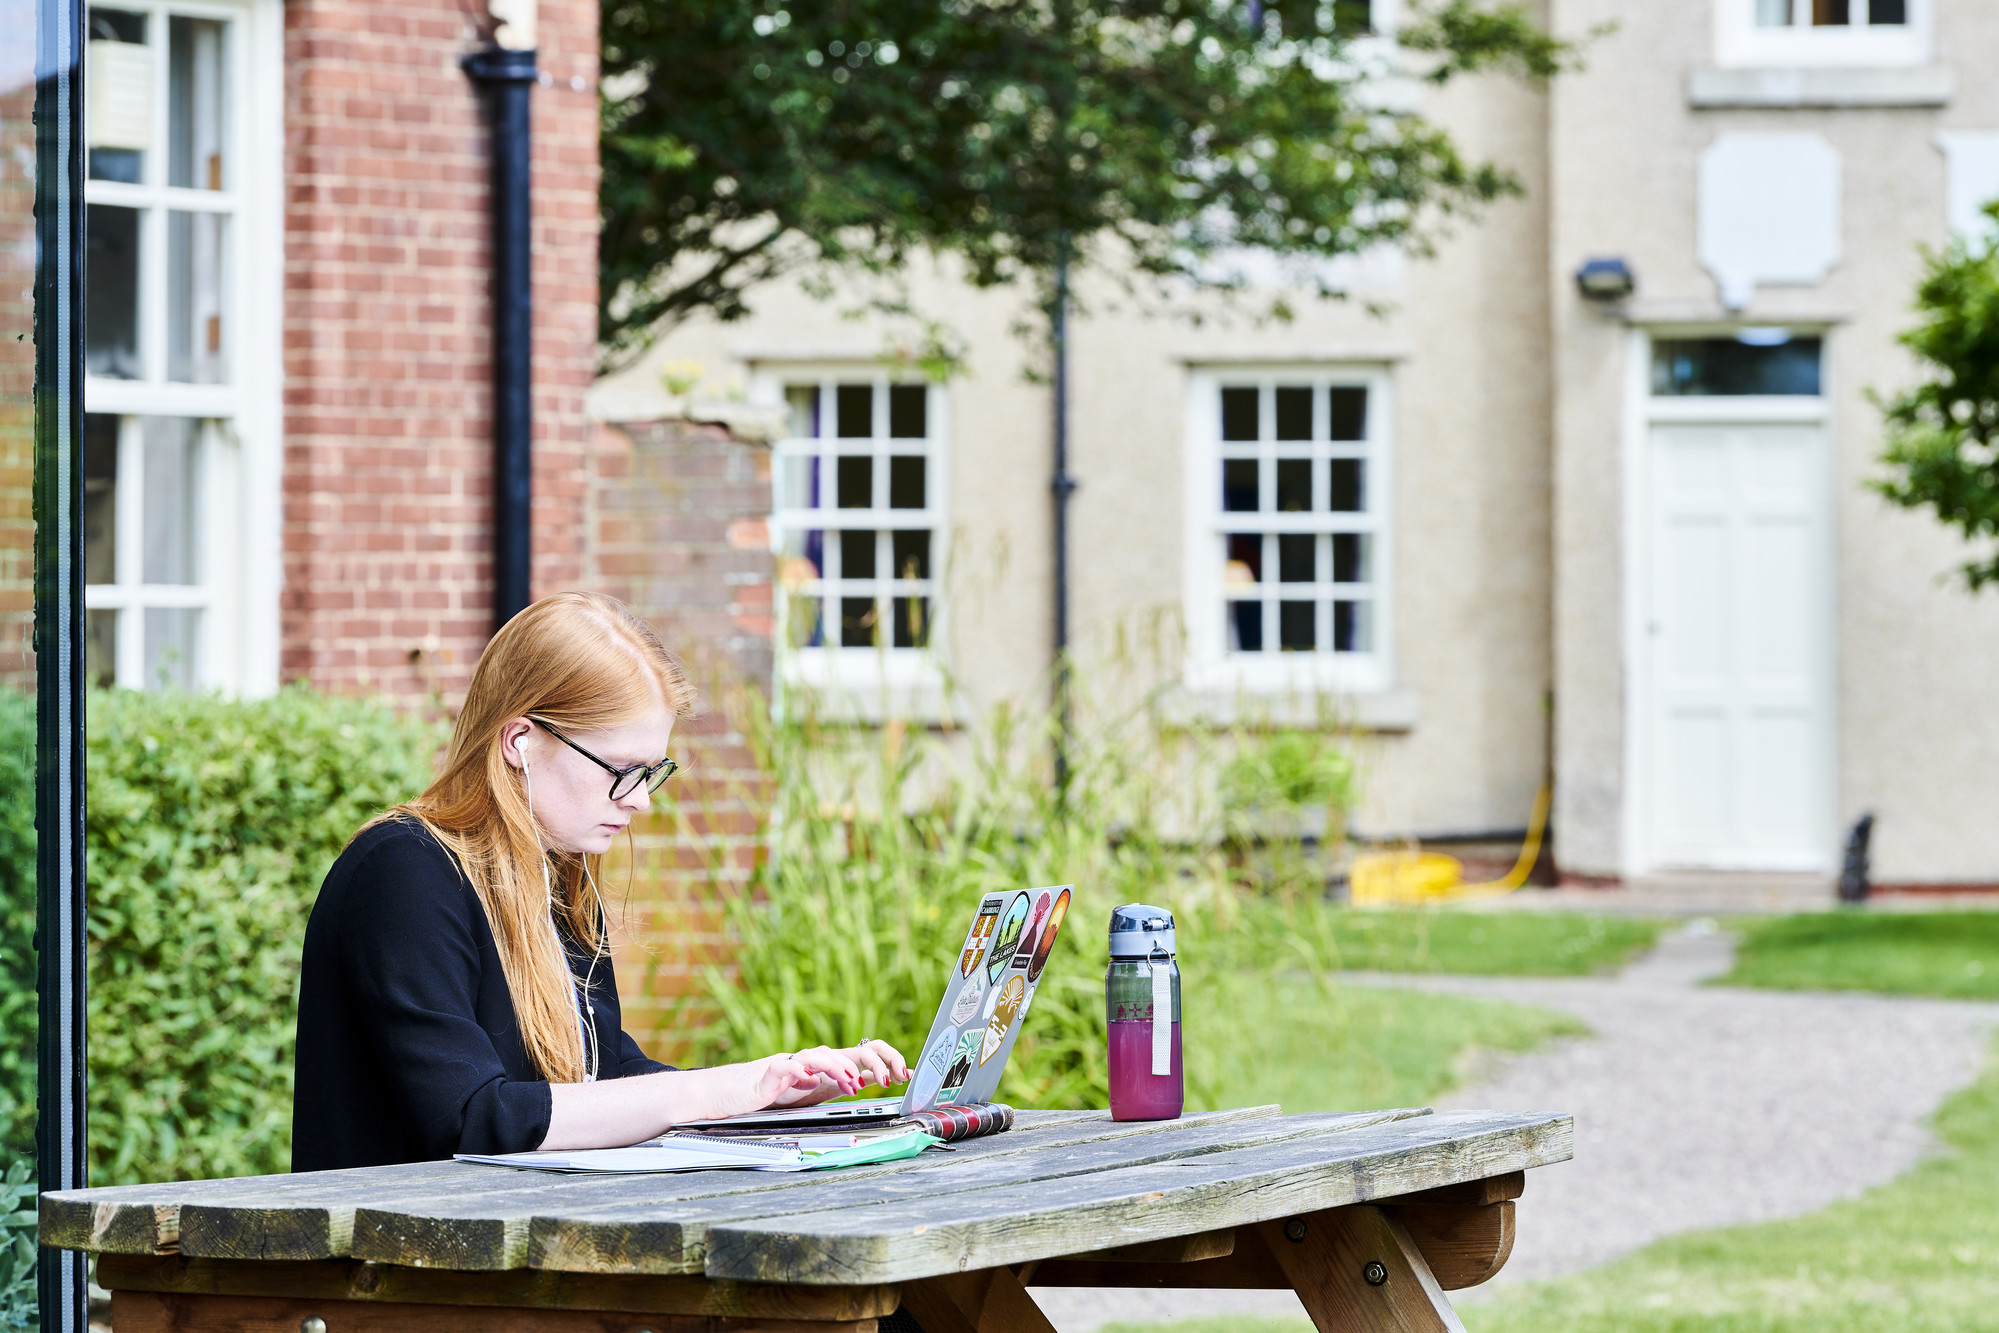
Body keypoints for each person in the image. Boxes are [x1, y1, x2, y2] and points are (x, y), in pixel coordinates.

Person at [293, 592, 909, 1171]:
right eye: (621, 769)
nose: (640, 800)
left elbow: (604, 1072)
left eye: (651, 771)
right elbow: (469, 1117)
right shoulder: (405, 870)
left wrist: (775, 1086)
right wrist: (731, 1087)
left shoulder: (554, 872)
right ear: (519, 741)